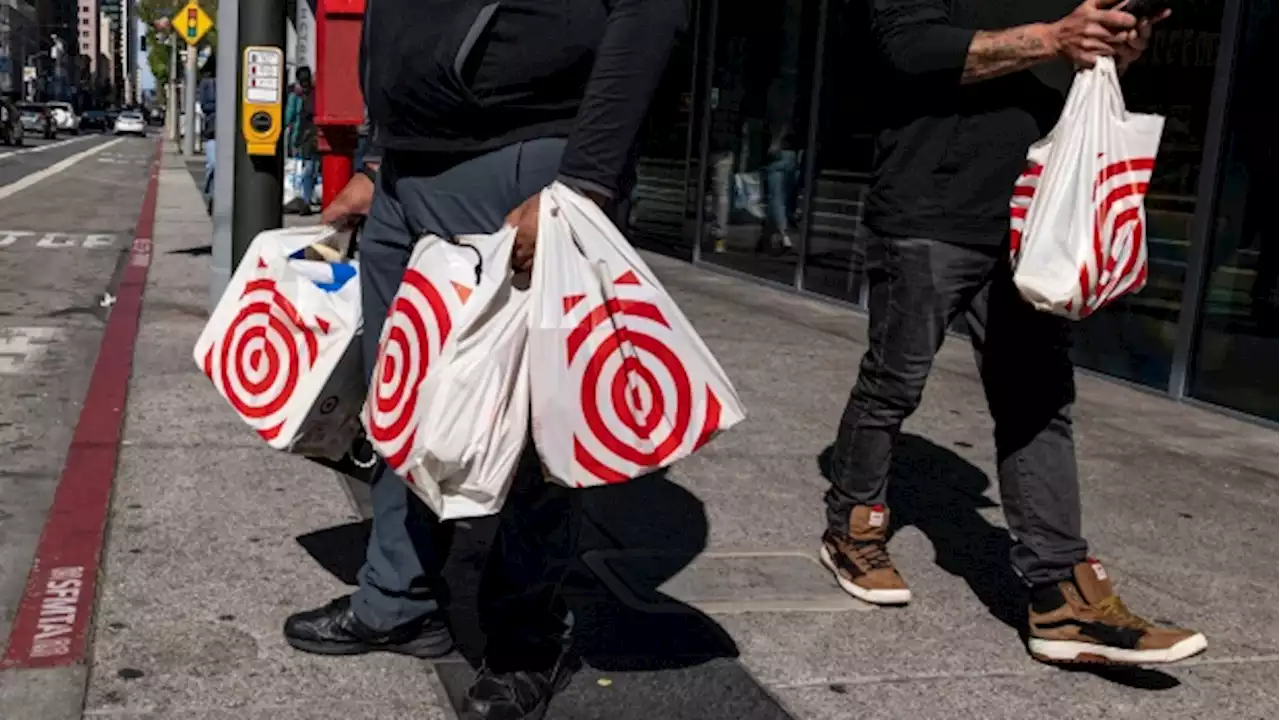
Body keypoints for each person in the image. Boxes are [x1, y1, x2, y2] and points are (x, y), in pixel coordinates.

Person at [295, 2, 687, 719]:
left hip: (526, 159)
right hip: (406, 174)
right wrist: (380, 158)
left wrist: (584, 181)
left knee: (524, 425)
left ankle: (527, 641)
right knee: (398, 403)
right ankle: (399, 600)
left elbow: (649, 12)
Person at [818, 0, 1208, 666]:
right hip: (930, 205)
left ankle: (1059, 595)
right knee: (895, 378)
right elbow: (910, 50)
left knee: (1038, 402)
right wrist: (1054, 37)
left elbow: (1068, 59)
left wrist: (1113, 43)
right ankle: (851, 527)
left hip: (1039, 209)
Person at [284, 66, 320, 215]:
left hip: (302, 136)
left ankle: (304, 199)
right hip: (309, 136)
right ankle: (306, 198)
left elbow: (289, 116)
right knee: (310, 169)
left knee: (305, 168)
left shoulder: (297, 96)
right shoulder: (314, 95)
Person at [197, 58, 217, 216]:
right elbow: (205, 106)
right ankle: (211, 196)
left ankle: (216, 197)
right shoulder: (206, 83)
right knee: (213, 164)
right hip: (213, 131)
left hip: (228, 131)